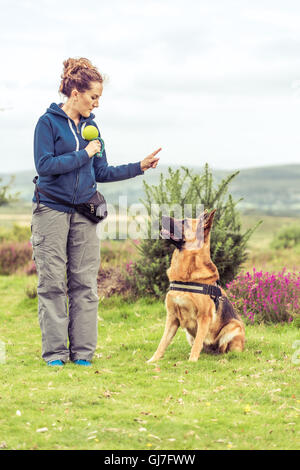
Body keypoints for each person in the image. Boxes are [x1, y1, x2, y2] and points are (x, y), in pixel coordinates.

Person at [31, 57, 161, 367]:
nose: (97, 104)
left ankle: (84, 355)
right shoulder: (47, 123)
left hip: (85, 212)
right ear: (75, 91)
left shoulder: (92, 126)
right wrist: (83, 153)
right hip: (51, 210)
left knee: (85, 284)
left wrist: (138, 167)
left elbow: (100, 171)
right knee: (52, 284)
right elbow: (45, 166)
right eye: (94, 97)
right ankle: (56, 355)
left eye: (100, 98)